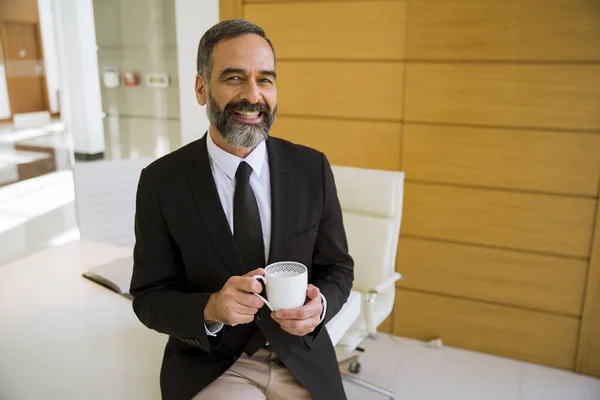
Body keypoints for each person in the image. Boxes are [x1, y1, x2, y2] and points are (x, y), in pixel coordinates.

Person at [130, 19, 354, 400]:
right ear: (202, 88)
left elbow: (338, 268)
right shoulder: (160, 181)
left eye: (265, 79)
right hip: (214, 365)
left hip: (300, 357)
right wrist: (211, 308)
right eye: (234, 78)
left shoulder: (311, 168)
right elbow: (149, 296)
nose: (253, 96)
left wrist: (320, 307)